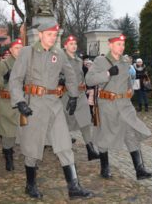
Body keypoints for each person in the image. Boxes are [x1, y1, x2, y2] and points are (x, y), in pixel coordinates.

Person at [9, 19, 93, 200]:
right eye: (49, 34)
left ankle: (74, 187)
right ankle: (30, 185)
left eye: (55, 35)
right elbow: (15, 79)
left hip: (54, 105)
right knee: (32, 148)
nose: (52, 38)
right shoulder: (27, 52)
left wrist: (72, 95)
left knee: (64, 145)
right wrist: (20, 101)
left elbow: (71, 75)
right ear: (40, 35)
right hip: (33, 105)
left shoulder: (59, 54)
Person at [85, 34, 152, 181]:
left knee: (130, 133)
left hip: (124, 105)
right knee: (104, 135)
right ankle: (104, 168)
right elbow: (89, 80)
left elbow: (128, 80)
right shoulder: (100, 61)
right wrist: (108, 73)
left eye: (123, 45)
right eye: (118, 44)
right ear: (110, 45)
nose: (121, 47)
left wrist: (130, 89)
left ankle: (139, 169)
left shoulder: (125, 62)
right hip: (107, 105)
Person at [0, 38, 23, 171]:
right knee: (8, 134)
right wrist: (4, 79)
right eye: (16, 48)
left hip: (23, 103)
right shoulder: (3, 65)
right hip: (7, 104)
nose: (19, 51)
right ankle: (8, 159)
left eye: (21, 48)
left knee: (27, 133)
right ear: (10, 50)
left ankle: (31, 161)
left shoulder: (26, 64)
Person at [61, 35, 100, 161]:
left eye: (75, 44)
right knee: (65, 124)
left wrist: (84, 83)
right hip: (67, 96)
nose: (74, 46)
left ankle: (90, 149)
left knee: (85, 122)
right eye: (71, 43)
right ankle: (63, 150)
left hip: (81, 95)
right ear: (65, 46)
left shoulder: (78, 60)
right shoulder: (61, 60)